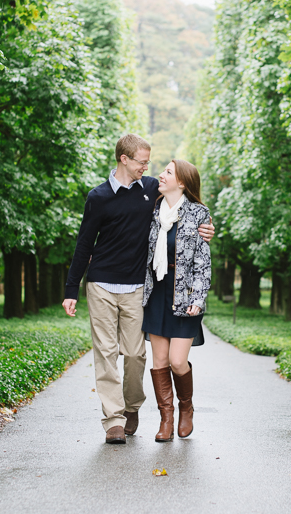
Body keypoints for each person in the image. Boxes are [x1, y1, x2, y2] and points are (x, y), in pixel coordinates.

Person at [62, 134, 214, 445]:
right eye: (142, 162)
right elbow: (83, 245)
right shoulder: (99, 197)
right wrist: (71, 289)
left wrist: (207, 229)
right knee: (105, 353)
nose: (148, 167)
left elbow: (187, 215)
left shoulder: (151, 193)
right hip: (101, 283)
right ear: (124, 159)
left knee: (135, 355)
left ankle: (133, 407)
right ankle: (115, 420)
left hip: (136, 288)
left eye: (150, 162)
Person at [141, 160, 211, 442]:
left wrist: (197, 297)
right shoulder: (153, 210)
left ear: (182, 182)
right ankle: (166, 419)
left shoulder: (198, 213)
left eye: (168, 172)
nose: (161, 174)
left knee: (177, 361)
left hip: (184, 295)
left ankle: (186, 407)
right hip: (157, 292)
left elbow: (203, 264)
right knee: (159, 361)